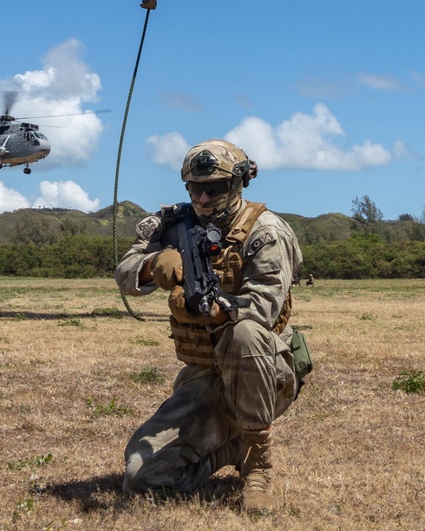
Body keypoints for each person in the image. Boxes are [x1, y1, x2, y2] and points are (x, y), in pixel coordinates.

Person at [115, 139, 304, 513]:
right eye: (194, 188)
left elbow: (261, 310)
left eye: (213, 188)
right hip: (204, 375)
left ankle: (256, 464)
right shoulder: (173, 221)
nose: (202, 198)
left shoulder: (266, 232)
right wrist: (155, 264)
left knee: (244, 331)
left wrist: (208, 311)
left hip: (264, 371)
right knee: (141, 475)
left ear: (238, 184)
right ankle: (230, 449)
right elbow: (124, 274)